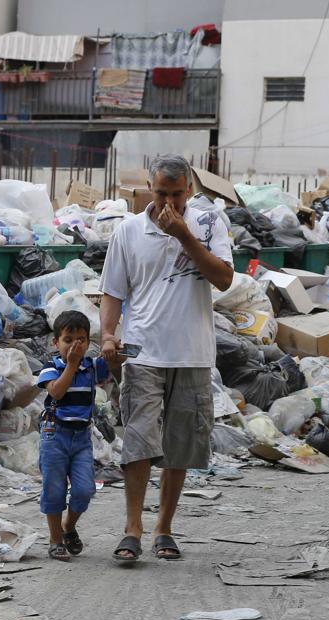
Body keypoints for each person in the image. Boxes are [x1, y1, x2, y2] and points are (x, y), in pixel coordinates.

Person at [99, 154, 233, 562]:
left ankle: (164, 528)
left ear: (189, 190)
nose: (169, 203)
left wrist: (185, 237)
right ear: (149, 189)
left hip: (191, 353)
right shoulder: (129, 231)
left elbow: (225, 278)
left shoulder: (209, 225)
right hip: (142, 351)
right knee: (138, 440)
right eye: (162, 194)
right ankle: (133, 528)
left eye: (177, 195)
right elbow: (112, 292)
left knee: (180, 445)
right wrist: (108, 334)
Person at [36, 310, 111, 561]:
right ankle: (55, 539)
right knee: (54, 489)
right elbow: (56, 392)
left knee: (84, 489)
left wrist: (114, 350)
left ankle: (69, 526)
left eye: (80, 340)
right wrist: (71, 364)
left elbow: (113, 366)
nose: (74, 345)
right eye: (68, 340)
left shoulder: (92, 367)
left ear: (88, 342)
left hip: (81, 438)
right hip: (54, 435)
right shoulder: (51, 367)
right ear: (56, 342)